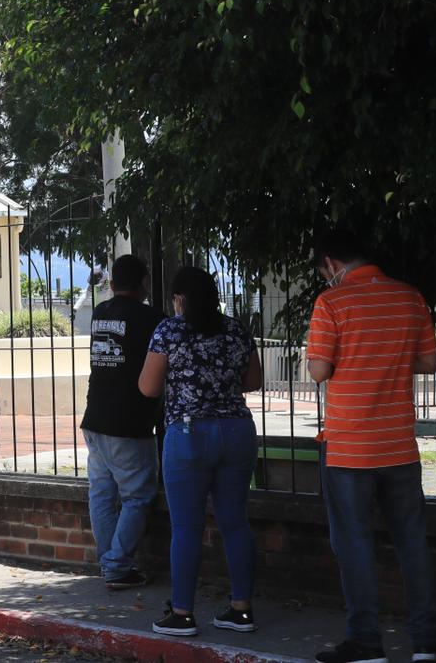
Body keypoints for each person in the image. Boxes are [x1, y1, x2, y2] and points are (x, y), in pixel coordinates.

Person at [307, 228, 436, 663]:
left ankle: (367, 643)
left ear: (330, 264)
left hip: (349, 448)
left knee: (354, 543)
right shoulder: (410, 297)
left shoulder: (331, 302)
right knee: (412, 543)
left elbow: (318, 370)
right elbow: (428, 361)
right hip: (399, 444)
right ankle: (426, 642)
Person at [138, 266, 262, 636]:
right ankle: (241, 610)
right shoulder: (237, 329)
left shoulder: (170, 330)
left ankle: (182, 613)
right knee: (235, 522)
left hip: (189, 433)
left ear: (179, 298)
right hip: (237, 430)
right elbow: (253, 381)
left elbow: (148, 387)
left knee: (187, 527)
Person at [80, 254, 166, 591]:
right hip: (130, 420)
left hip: (96, 415)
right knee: (137, 496)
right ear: (145, 282)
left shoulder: (101, 314)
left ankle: (108, 560)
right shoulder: (153, 319)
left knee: (101, 493)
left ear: (113, 284)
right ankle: (117, 565)